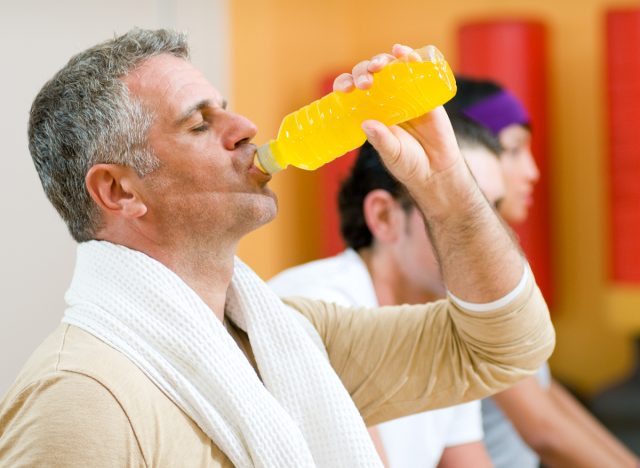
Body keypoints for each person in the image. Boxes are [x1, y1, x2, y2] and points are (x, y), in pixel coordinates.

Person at [0, 30, 554, 467]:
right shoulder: (80, 400)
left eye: (227, 108)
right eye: (200, 123)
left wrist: (448, 186)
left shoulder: (290, 340)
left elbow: (507, 347)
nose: (245, 127)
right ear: (119, 191)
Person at [269, 114, 505, 468]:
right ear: (384, 216)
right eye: (461, 209)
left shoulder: (449, 324)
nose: (490, 235)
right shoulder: (314, 305)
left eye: (492, 212)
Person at [446, 77, 639, 468]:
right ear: (470, 157)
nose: (532, 172)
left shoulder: (500, 266)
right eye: (514, 151)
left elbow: (548, 396)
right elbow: (543, 428)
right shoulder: (458, 277)